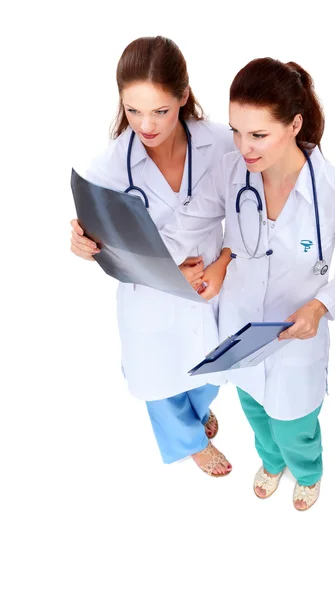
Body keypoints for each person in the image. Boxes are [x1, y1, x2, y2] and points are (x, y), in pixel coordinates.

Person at [161, 57, 335, 508]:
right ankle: (270, 462)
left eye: (258, 134)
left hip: (295, 339)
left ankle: (306, 470)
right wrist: (114, 239)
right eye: (236, 130)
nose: (243, 146)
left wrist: (320, 307)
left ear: (294, 124)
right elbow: (185, 224)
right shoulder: (231, 171)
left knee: (295, 425)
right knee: (255, 412)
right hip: (241, 329)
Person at [70, 36, 235, 477]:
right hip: (150, 295)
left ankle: (197, 410)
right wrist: (83, 245)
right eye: (133, 110)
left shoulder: (222, 143)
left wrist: (223, 262)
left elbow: (250, 210)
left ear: (183, 96)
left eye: (160, 110)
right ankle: (190, 441)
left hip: (213, 283)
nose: (146, 125)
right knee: (159, 377)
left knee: (214, 367)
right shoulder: (104, 169)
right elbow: (109, 248)